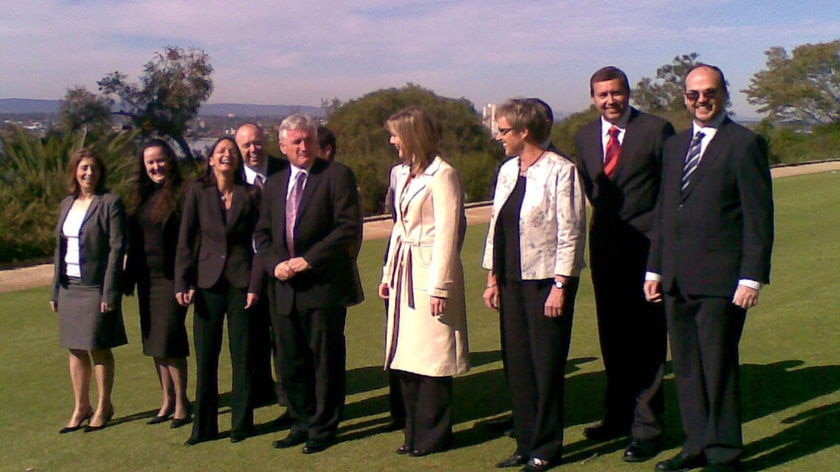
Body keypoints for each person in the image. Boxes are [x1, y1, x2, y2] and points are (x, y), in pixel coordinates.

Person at [645, 64, 774, 472]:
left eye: (709, 92)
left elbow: (759, 217)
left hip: (722, 281)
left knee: (717, 367)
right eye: (693, 94)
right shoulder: (674, 146)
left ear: (723, 94)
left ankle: (724, 452)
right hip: (676, 279)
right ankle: (695, 444)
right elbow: (665, 212)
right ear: (684, 98)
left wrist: (751, 276)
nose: (701, 100)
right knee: (686, 368)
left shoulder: (744, 144)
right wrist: (654, 269)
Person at [574, 66, 675, 462]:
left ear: (627, 93)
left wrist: (662, 254)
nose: (610, 100)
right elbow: (590, 188)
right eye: (602, 95)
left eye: (616, 93)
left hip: (648, 250)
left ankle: (648, 428)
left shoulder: (656, 130)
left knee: (647, 340)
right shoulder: (583, 137)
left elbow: (668, 193)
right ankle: (616, 416)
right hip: (606, 250)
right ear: (593, 98)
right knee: (612, 335)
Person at [482, 99, 587, 472]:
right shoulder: (508, 170)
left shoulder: (561, 171)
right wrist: (492, 277)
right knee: (518, 366)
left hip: (546, 283)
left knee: (545, 367)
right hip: (511, 282)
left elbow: (570, 232)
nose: (499, 136)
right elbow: (498, 224)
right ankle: (524, 443)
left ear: (524, 131)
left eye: (504, 130)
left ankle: (546, 446)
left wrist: (561, 284)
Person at [254, 114, 363, 454]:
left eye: (308, 140)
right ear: (283, 146)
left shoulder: (337, 176)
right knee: (291, 361)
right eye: (296, 142)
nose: (303, 147)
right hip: (284, 288)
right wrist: (276, 266)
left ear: (317, 143)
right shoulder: (273, 184)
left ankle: (324, 426)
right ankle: (300, 422)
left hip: (322, 287)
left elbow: (346, 227)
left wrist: (308, 259)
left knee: (325, 360)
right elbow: (262, 235)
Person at [378, 107, 469, 457]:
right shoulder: (400, 174)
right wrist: (388, 273)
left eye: (396, 134)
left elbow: (449, 231)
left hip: (430, 270)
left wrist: (441, 286)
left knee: (433, 358)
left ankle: (434, 434)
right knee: (407, 358)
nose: (392, 141)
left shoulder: (443, 175)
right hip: (404, 271)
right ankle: (412, 431)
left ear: (414, 136)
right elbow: (399, 227)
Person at [175, 137, 264, 445]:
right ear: (210, 159)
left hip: (241, 285)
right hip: (206, 284)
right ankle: (204, 428)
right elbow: (186, 241)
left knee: (243, 357)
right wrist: (182, 282)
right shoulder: (197, 193)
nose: (226, 155)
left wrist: (255, 284)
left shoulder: (250, 194)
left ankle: (242, 425)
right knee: (207, 358)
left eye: (231, 152)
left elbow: (260, 243)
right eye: (220, 151)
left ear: (237, 161)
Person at [50, 148, 127, 433]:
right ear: (75, 171)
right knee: (76, 349)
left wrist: (110, 293)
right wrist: (54, 290)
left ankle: (104, 406)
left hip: (96, 288)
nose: (88, 173)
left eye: (93, 168)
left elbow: (117, 249)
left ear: (100, 172)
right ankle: (82, 406)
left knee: (99, 348)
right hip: (70, 287)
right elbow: (60, 249)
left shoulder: (110, 203)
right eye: (83, 168)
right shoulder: (66, 204)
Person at [124, 140, 192, 429]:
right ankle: (166, 399)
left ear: (170, 160)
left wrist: (186, 279)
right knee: (154, 342)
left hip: (171, 279)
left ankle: (182, 402)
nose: (156, 166)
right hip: (146, 280)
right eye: (150, 162)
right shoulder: (141, 196)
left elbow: (190, 241)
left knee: (170, 341)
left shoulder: (182, 194)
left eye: (160, 160)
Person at [234, 122, 292, 420]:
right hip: (246, 272)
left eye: (257, 143)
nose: (253, 149)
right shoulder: (232, 178)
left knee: (284, 337)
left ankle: (288, 395)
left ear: (265, 141)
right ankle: (260, 390)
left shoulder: (286, 170)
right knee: (253, 336)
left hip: (283, 268)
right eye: (246, 145)